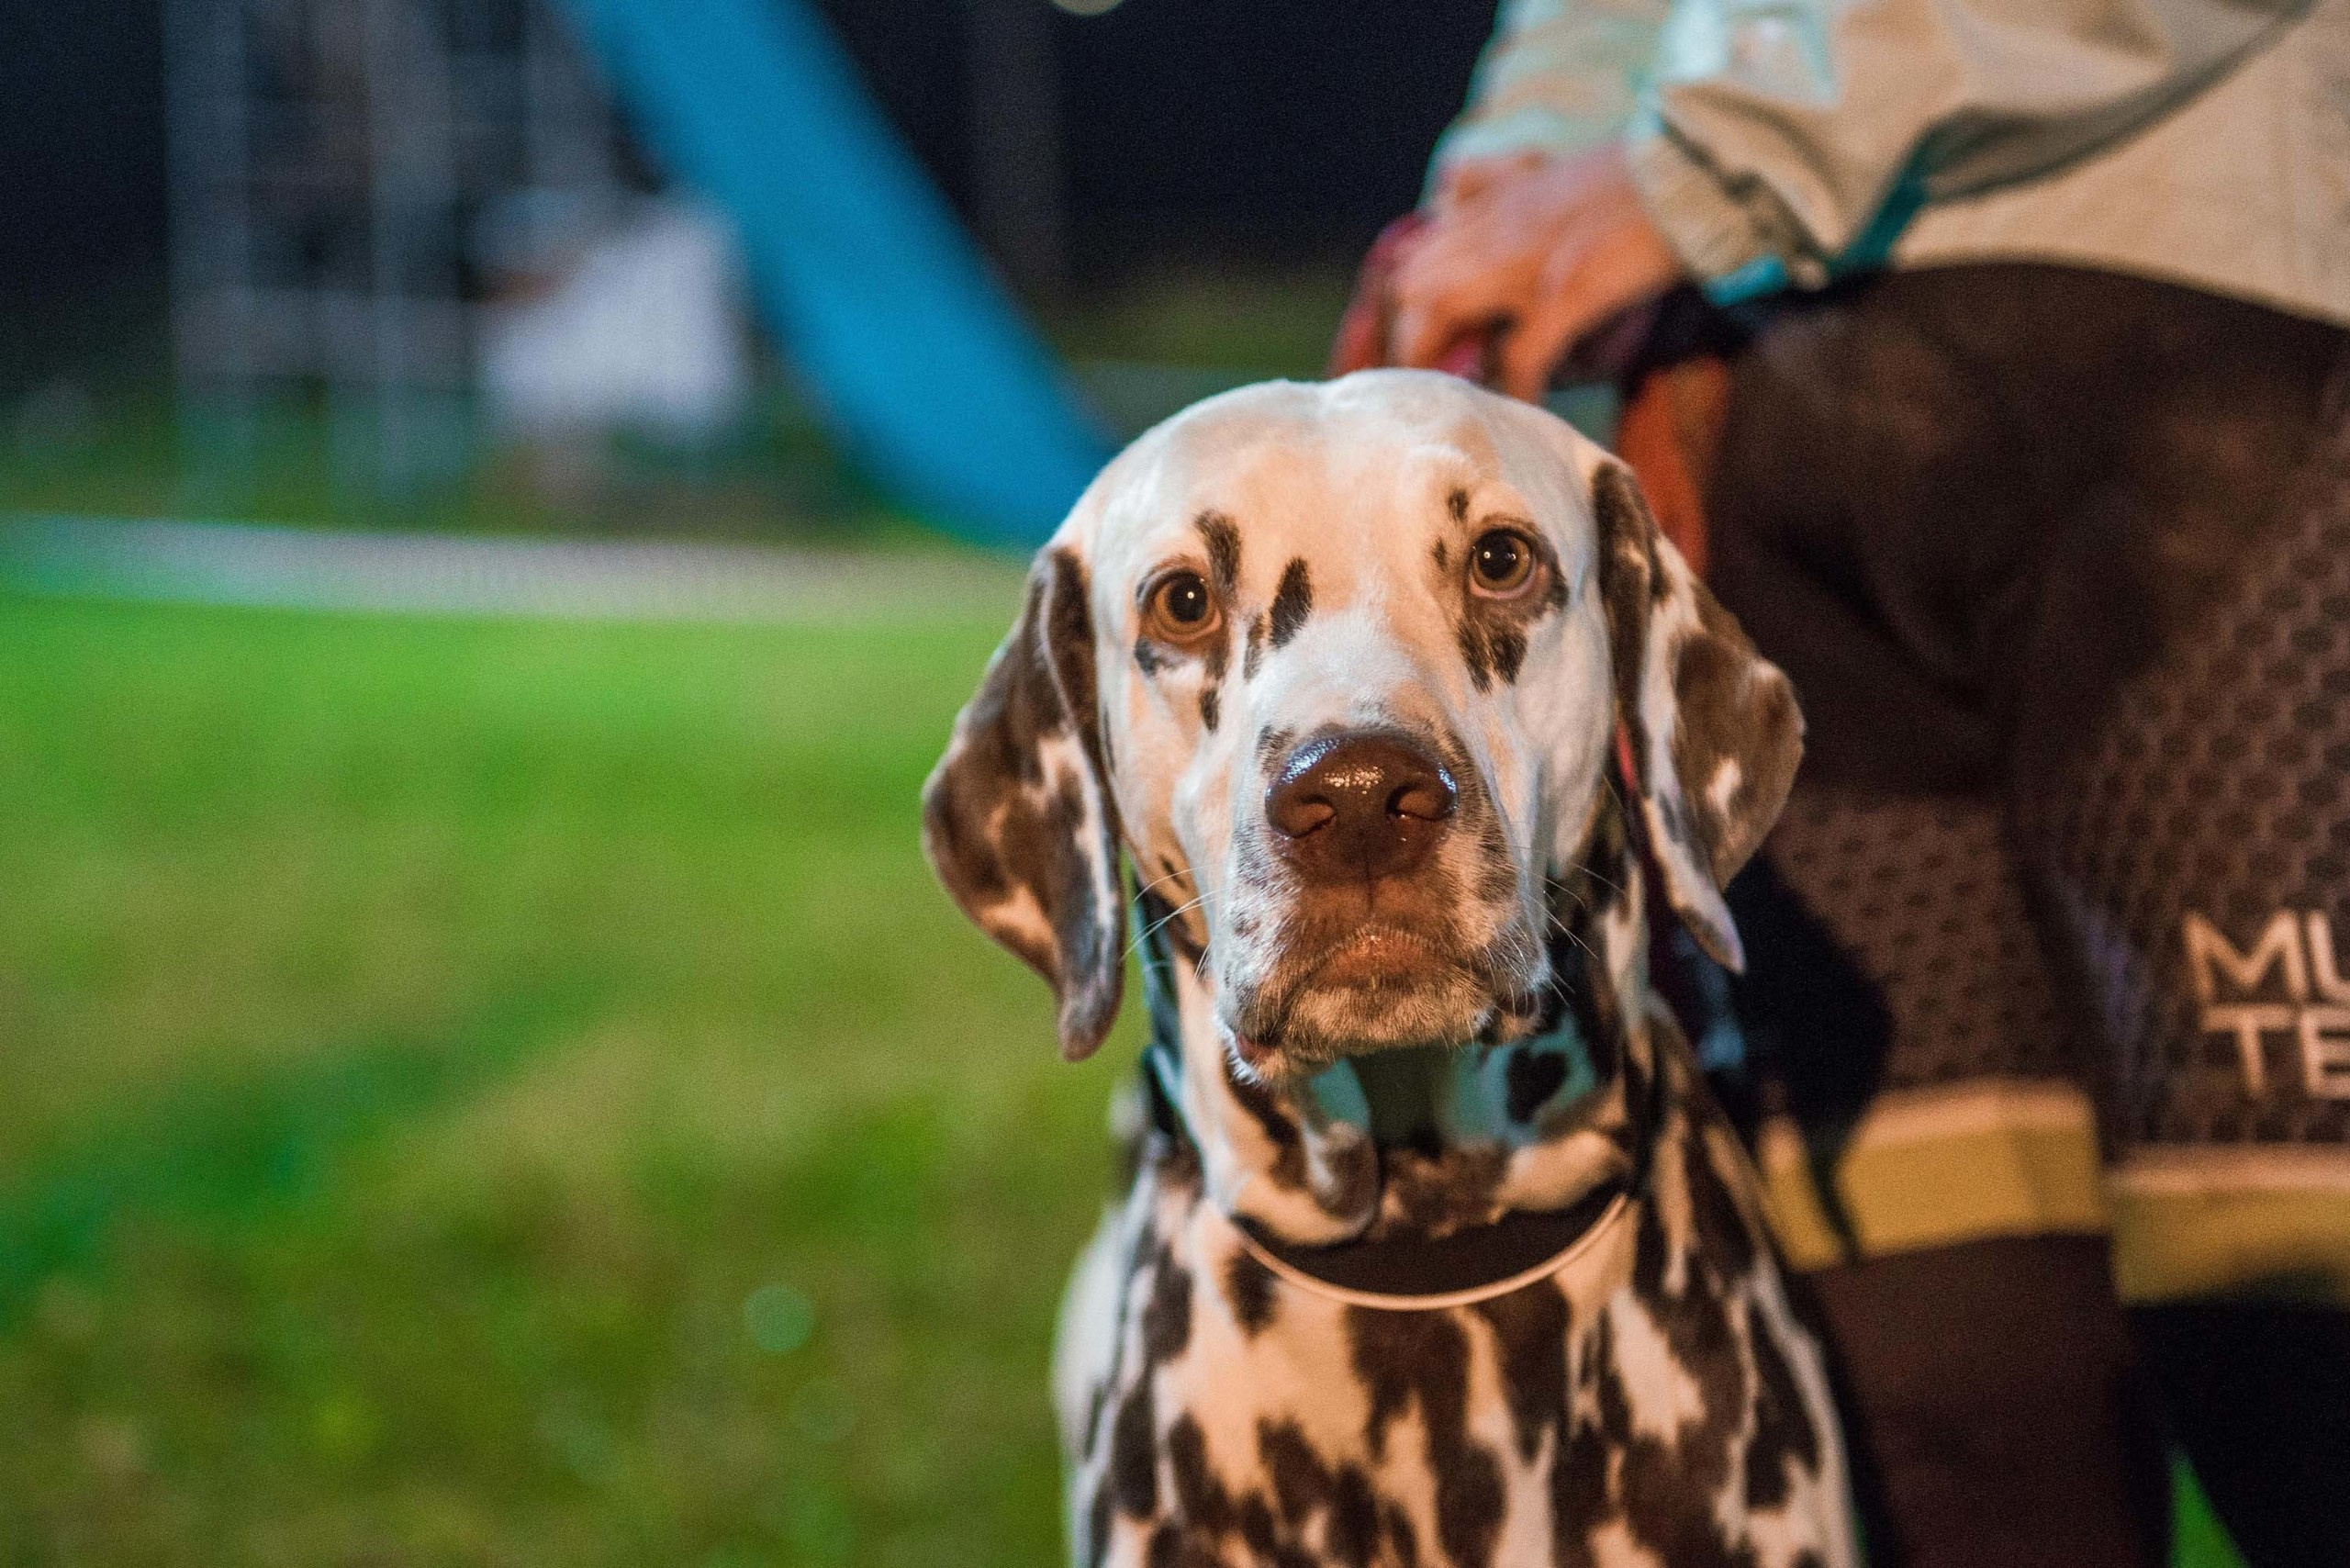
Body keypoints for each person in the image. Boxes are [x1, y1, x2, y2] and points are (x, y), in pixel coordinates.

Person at [1336, 3, 2350, 1564]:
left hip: (2207, 357)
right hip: (1773, 426)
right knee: (1946, 1413)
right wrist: (1512, 190)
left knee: (2295, 1360)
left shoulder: (1716, 169)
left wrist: (1694, 170)